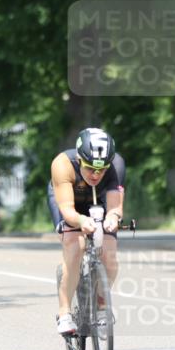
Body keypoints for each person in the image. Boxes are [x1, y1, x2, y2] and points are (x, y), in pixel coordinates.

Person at [47, 127, 125, 335]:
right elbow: (68, 211)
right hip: (68, 200)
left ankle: (101, 307)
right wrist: (81, 220)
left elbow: (115, 207)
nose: (96, 174)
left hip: (99, 201)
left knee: (109, 255)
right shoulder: (62, 164)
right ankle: (64, 313)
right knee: (75, 246)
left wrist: (112, 218)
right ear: (80, 160)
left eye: (102, 169)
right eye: (90, 168)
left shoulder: (116, 164)